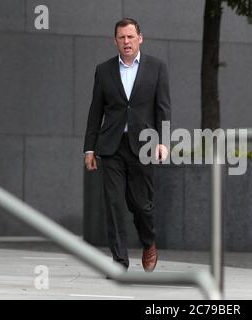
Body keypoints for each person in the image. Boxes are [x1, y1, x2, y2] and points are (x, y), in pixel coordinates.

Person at [83, 18, 171, 273]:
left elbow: (163, 108)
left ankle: (149, 241)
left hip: (143, 146)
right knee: (113, 204)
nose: (127, 42)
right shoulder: (104, 70)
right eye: (122, 37)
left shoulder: (157, 68)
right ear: (115, 41)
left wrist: (163, 141)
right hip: (111, 147)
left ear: (140, 38)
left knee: (142, 204)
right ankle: (119, 262)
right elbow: (94, 111)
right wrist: (89, 148)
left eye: (131, 37)